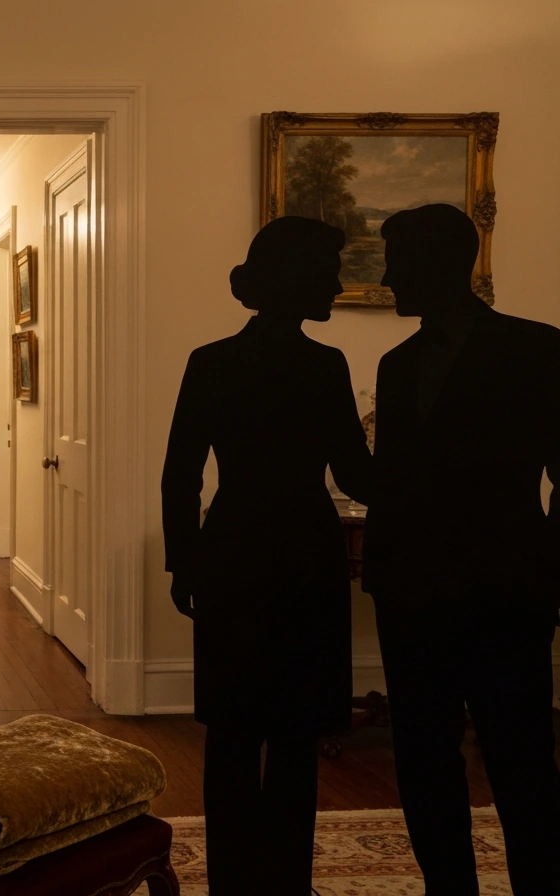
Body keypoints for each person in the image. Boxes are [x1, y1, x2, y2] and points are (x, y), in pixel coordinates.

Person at [162, 216, 372, 895]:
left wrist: (183, 561)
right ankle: (286, 881)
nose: (338, 285)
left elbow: (181, 475)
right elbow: (357, 475)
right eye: (327, 273)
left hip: (232, 549)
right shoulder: (325, 364)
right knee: (295, 732)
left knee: (231, 729)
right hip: (307, 551)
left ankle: (230, 880)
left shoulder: (212, 361)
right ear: (299, 281)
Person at [362, 203, 560, 893]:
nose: (386, 278)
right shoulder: (395, 364)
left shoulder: (541, 349)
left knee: (523, 760)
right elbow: (392, 478)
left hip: (507, 590)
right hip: (412, 595)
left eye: (396, 262)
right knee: (422, 760)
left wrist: (549, 572)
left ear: (440, 264)